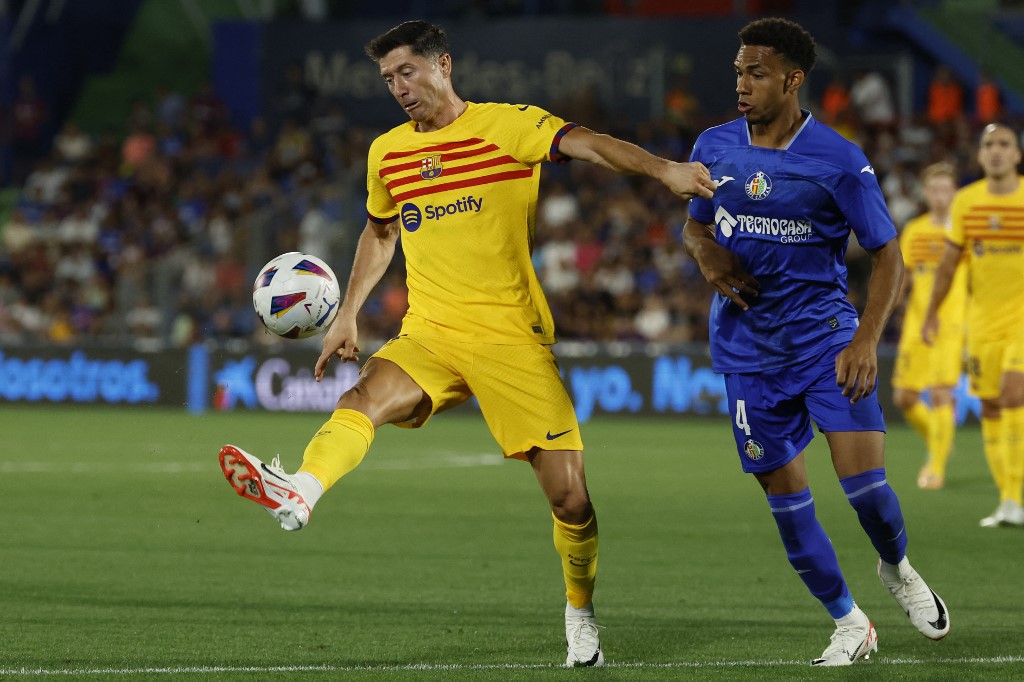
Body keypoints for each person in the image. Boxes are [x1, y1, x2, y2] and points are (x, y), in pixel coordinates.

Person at [217, 19, 715, 668]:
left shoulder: (507, 126)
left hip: (512, 338)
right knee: (365, 395)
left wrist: (663, 169)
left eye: (407, 72)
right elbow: (379, 232)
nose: (399, 87)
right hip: (431, 330)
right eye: (388, 78)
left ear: (443, 66)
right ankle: (300, 491)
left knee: (572, 500)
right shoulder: (388, 152)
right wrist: (348, 314)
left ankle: (580, 611)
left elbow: (588, 144)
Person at [682, 17, 950, 667]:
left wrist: (864, 341)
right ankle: (849, 622)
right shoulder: (713, 146)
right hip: (748, 352)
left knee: (867, 493)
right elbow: (696, 229)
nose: (742, 84)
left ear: (792, 80)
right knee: (787, 506)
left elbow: (889, 256)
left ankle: (897, 565)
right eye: (739, 72)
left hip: (825, 341)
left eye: (757, 73)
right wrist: (709, 262)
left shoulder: (837, 160)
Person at [923, 123, 1024, 528]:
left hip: (1021, 319)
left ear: (1016, 155)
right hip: (981, 324)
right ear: (979, 156)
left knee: (1015, 391)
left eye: (1004, 144)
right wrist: (932, 311)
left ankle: (1016, 497)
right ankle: (1007, 499)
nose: (996, 151)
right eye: (988, 145)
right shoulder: (966, 202)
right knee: (992, 405)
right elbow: (948, 265)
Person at [892, 162, 967, 490]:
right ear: (926, 193)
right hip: (915, 323)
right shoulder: (915, 230)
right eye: (933, 189)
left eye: (945, 189)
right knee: (904, 398)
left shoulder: (963, 231)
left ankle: (935, 467)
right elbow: (905, 276)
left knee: (940, 393)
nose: (939, 196)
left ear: (955, 193)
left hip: (951, 323)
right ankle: (940, 439)